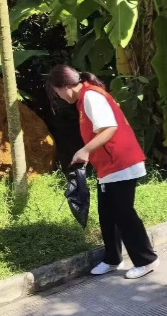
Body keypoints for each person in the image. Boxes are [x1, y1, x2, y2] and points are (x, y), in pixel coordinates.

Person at [46, 65, 160, 279]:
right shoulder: (85, 98)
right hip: (109, 165)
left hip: (120, 163)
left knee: (124, 213)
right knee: (107, 214)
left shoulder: (91, 96)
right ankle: (112, 259)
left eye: (57, 92)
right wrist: (89, 154)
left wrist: (85, 150)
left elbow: (109, 128)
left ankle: (146, 260)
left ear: (65, 86)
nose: (59, 97)